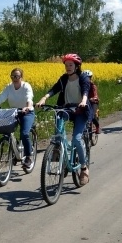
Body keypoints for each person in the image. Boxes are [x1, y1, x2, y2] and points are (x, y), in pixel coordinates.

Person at [35, 53, 91, 185]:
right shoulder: (64, 78)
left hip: (80, 110)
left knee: (77, 139)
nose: (68, 67)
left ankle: (83, 168)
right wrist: (44, 98)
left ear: (77, 66)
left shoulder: (83, 78)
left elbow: (85, 91)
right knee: (58, 133)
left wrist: (83, 101)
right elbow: (54, 89)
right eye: (66, 65)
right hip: (66, 109)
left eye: (70, 65)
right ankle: (59, 153)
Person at [0, 68, 35, 168]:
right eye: (12, 76)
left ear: (21, 77)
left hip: (27, 112)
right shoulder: (9, 87)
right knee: (7, 131)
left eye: (17, 76)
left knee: (24, 133)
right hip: (14, 112)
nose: (14, 78)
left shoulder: (26, 86)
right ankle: (15, 150)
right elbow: (1, 97)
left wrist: (27, 107)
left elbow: (29, 97)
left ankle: (28, 157)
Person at [81, 69, 101, 133]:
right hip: (85, 102)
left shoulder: (93, 86)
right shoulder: (81, 85)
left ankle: (97, 126)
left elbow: (95, 95)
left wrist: (93, 98)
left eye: (88, 78)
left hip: (93, 102)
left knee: (92, 115)